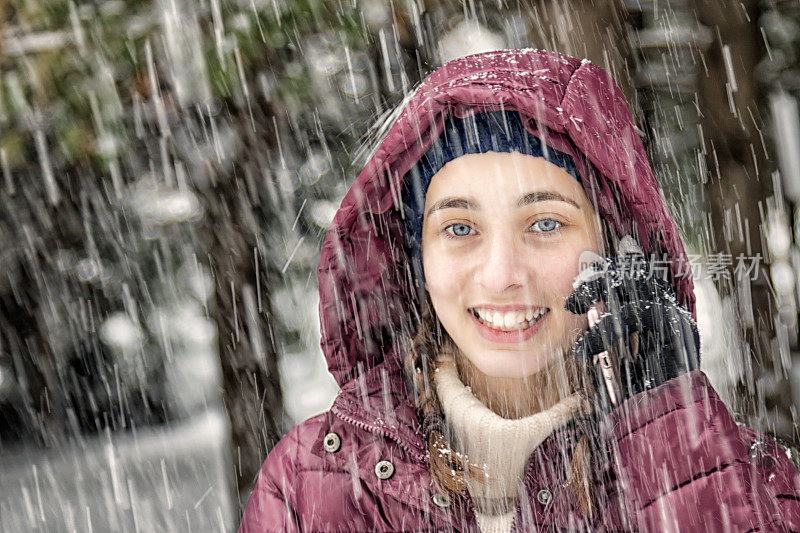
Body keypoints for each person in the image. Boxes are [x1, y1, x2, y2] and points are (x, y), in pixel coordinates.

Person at [239, 49, 800, 531]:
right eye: (459, 229)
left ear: (613, 250)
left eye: (545, 224)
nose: (502, 274)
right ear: (418, 262)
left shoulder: (750, 483)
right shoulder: (312, 487)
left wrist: (677, 451)